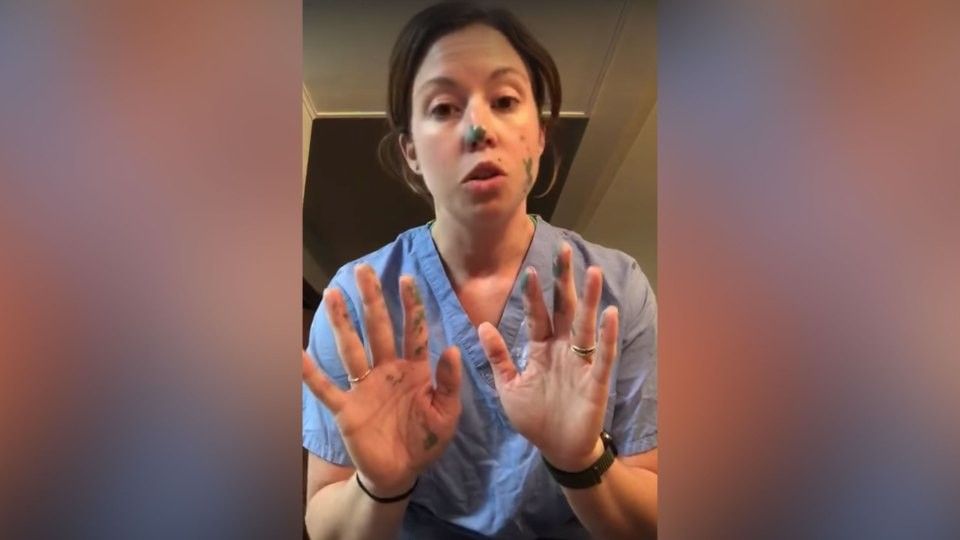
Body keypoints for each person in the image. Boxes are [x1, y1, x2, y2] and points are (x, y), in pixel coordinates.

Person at [301, 2, 657, 538]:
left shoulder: (619, 289)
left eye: (505, 100)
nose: (477, 129)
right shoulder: (352, 301)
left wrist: (582, 459)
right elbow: (325, 525)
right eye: (443, 108)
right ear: (411, 152)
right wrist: (380, 483)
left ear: (539, 134)